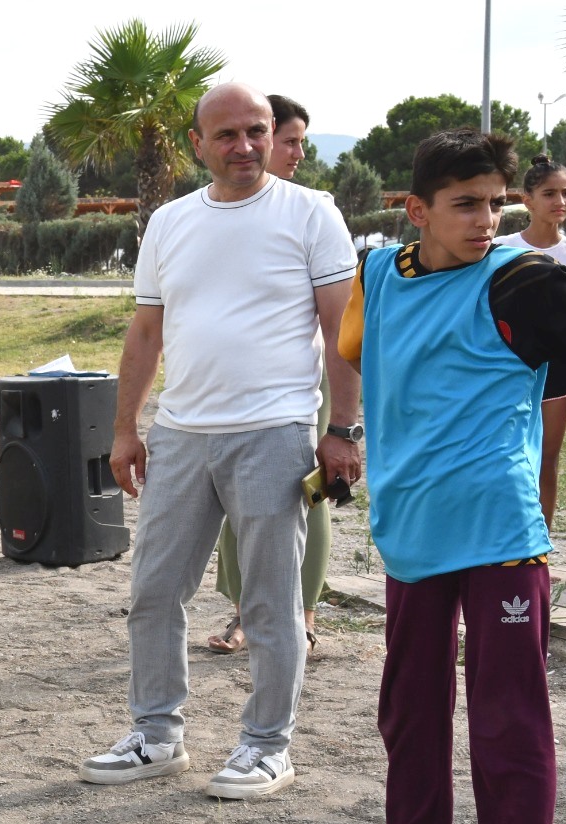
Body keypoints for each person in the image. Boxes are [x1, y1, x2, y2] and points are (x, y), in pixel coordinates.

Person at [309, 128, 566, 824]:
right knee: (409, 708)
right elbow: (352, 359)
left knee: (508, 717)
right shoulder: (376, 278)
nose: (487, 220)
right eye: (467, 205)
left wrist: (564, 363)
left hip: (499, 532)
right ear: (417, 211)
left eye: (496, 203)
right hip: (409, 531)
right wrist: (340, 432)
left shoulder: (523, 281)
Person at [83, 83, 359, 800]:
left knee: (270, 600)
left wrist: (341, 430)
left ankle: (267, 746)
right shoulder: (171, 222)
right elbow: (146, 330)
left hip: (273, 431)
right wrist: (124, 428)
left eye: (257, 131)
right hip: (180, 433)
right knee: (153, 591)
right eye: (228, 134)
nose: (245, 147)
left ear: (273, 135)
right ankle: (156, 734)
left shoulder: (310, 212)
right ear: (198, 144)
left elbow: (344, 333)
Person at [208, 93, 335, 656]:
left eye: (301, 143)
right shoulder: (214, 209)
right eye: (290, 141)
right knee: (236, 501)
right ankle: (243, 612)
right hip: (226, 390)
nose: (296, 153)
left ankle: (301, 615)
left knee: (306, 495)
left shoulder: (314, 208)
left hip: (302, 380)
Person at [499, 155, 566, 552]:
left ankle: (538, 546)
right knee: (509, 453)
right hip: (512, 365)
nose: (560, 201)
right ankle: (504, 540)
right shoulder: (503, 248)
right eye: (549, 193)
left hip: (561, 367)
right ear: (528, 200)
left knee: (546, 456)